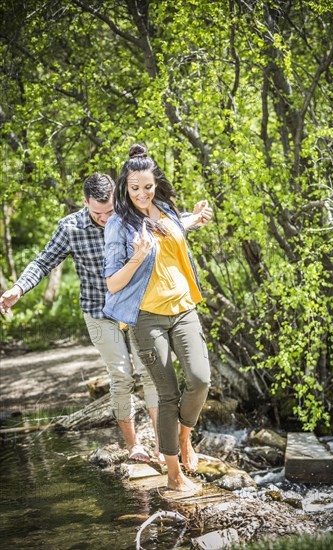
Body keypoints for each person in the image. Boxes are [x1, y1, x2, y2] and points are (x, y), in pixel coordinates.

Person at [0, 172, 212, 464]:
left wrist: (196, 217)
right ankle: (133, 446)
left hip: (138, 312)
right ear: (85, 202)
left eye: (111, 210)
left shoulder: (130, 216)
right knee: (122, 376)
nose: (106, 217)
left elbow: (168, 226)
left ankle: (166, 449)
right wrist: (18, 288)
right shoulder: (71, 227)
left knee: (152, 377)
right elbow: (43, 261)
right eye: (98, 212)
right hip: (99, 313)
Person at [103, 144, 211, 492]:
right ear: (124, 186)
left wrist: (195, 218)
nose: (141, 193)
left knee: (200, 379)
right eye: (134, 187)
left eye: (147, 186)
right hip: (147, 318)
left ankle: (184, 438)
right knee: (167, 394)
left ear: (155, 183)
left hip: (183, 309)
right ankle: (173, 473)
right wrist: (136, 258)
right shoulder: (118, 225)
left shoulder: (164, 209)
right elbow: (112, 282)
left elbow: (172, 231)